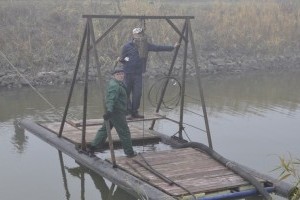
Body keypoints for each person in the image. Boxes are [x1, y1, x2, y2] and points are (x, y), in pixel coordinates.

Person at [119, 27, 179, 119]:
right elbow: (122, 59)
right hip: (128, 73)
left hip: (138, 74)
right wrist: (127, 60)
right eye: (138, 34)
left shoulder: (146, 45)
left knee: (137, 94)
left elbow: (158, 48)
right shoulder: (127, 46)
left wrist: (172, 47)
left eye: (141, 34)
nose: (140, 36)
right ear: (133, 35)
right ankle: (128, 113)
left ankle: (134, 112)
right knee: (126, 93)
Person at [88, 66, 136, 158]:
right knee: (125, 132)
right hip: (116, 113)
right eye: (118, 74)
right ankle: (129, 152)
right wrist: (109, 111)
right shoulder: (115, 85)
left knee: (105, 130)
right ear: (114, 76)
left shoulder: (119, 83)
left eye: (122, 74)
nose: (121, 76)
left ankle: (92, 147)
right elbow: (111, 99)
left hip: (115, 112)